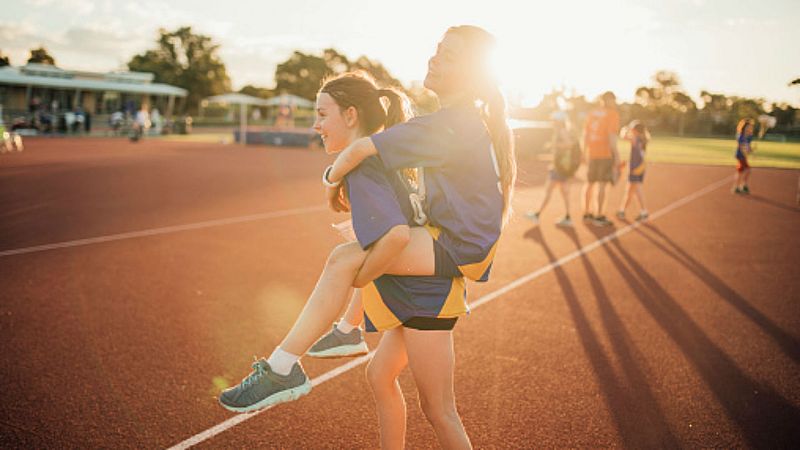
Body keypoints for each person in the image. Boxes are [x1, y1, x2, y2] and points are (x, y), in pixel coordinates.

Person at [220, 26, 515, 449]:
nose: (434, 58)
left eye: (448, 55)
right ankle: (345, 330)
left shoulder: (454, 124)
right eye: (436, 49)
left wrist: (330, 183)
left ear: (470, 73)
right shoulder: (451, 123)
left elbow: (358, 153)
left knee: (346, 262)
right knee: (379, 374)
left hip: (457, 246)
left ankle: (285, 366)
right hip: (449, 239)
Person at [525, 111, 580, 227]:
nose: (552, 122)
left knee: (549, 191)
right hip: (560, 166)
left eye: (554, 120)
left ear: (559, 121)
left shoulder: (561, 131)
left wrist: (554, 145)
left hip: (559, 168)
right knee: (564, 192)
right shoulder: (560, 131)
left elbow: (569, 144)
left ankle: (537, 215)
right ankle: (567, 216)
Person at [582, 91, 621, 227]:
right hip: (605, 154)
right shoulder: (612, 114)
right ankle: (599, 216)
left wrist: (584, 152)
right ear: (610, 100)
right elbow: (611, 137)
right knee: (603, 184)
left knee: (590, 183)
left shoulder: (592, 113)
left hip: (592, 153)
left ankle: (587, 213)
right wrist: (616, 155)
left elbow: (585, 134)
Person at [616, 120, 650, 220]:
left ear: (635, 130)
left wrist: (624, 129)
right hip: (640, 167)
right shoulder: (643, 139)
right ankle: (622, 210)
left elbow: (623, 137)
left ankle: (644, 211)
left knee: (636, 189)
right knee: (630, 190)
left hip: (635, 168)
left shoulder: (636, 138)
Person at [732, 118, 755, 194]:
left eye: (750, 127)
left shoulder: (749, 137)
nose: (749, 129)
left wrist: (752, 150)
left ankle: (736, 187)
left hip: (743, 156)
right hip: (740, 156)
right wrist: (748, 151)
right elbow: (743, 148)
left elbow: (748, 148)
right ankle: (743, 185)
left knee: (740, 171)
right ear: (744, 127)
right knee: (748, 170)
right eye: (748, 127)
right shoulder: (740, 136)